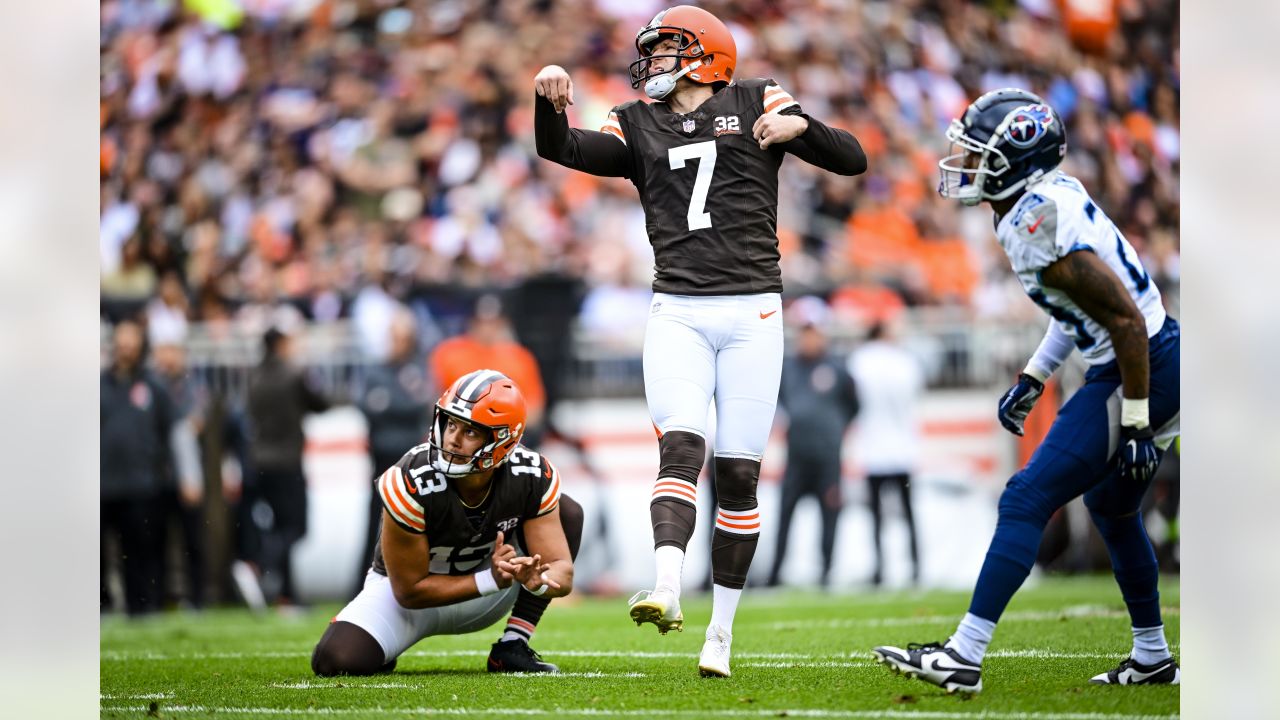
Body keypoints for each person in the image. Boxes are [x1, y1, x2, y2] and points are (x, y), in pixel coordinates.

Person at [534, 4, 867, 678]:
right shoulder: (635, 121)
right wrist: (549, 104)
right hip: (679, 310)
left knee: (740, 474)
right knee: (682, 445)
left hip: (754, 313)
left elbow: (852, 159)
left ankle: (721, 632)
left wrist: (798, 126)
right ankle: (665, 584)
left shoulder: (755, 98)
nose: (651, 63)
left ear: (704, 54)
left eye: (663, 51)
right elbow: (562, 148)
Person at [872, 89, 1180, 692]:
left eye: (977, 152)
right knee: (1112, 510)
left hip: (1139, 363)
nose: (963, 162)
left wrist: (1138, 419)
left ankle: (963, 655)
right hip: (1145, 357)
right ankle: (1152, 657)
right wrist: (1036, 375)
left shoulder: (1034, 220)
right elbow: (1076, 307)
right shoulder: (1041, 201)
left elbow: (1125, 321)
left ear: (1016, 158)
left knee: (1024, 499)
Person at [311, 370, 584, 676]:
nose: (452, 439)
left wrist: (540, 579)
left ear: (502, 440)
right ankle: (383, 648)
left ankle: (513, 644)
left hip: (491, 592)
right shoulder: (410, 479)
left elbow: (562, 570)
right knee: (334, 660)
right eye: (451, 423)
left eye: (470, 432)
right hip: (415, 599)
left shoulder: (529, 475)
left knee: (568, 511)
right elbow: (409, 591)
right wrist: (490, 580)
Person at [766, 297, 859, 588]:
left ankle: (826, 573)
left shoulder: (838, 369)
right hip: (796, 456)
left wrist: (834, 432)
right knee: (784, 515)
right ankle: (775, 573)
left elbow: (854, 406)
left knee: (829, 514)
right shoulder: (787, 368)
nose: (808, 337)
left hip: (827, 457)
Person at [245, 323, 331, 607]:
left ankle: (286, 594)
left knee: (279, 526)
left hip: (259, 461)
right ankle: (260, 563)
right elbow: (321, 403)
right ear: (280, 345)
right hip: (287, 461)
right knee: (296, 528)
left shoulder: (254, 376)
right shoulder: (293, 374)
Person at [354, 309, 433, 596]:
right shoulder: (377, 369)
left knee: (415, 521)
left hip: (411, 458)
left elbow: (421, 404)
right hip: (383, 457)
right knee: (374, 520)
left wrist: (388, 404)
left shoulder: (417, 368)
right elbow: (366, 406)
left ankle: (412, 579)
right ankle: (361, 584)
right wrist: (399, 405)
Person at [101, 319, 176, 615]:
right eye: (121, 341)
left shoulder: (154, 386)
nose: (126, 347)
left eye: (131, 341)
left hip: (142, 483)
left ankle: (142, 605)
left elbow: (168, 431)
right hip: (103, 482)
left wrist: (161, 471)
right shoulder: (99, 385)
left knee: (140, 551)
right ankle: (103, 605)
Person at [848, 319, 924, 587]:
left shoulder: (859, 361)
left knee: (876, 515)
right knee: (909, 511)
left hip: (873, 448)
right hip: (903, 447)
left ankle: (880, 569)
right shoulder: (904, 361)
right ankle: (916, 567)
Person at [430, 294, 547, 446]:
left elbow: (535, 410)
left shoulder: (520, 357)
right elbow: (435, 401)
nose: (487, 328)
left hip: (505, 437)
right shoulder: (448, 353)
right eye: (481, 322)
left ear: (503, 323)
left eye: (493, 323)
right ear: (471, 322)